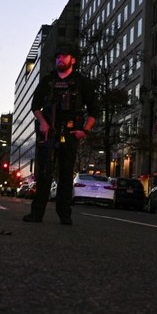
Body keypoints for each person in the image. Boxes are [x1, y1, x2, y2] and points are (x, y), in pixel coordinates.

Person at [24, 45, 100, 225]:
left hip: (70, 132)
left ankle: (64, 214)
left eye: (64, 56)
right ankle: (37, 213)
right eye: (58, 56)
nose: (60, 59)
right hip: (48, 132)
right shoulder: (47, 81)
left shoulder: (82, 82)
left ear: (72, 60)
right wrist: (43, 122)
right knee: (43, 173)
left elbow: (94, 110)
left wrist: (84, 131)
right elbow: (35, 106)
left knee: (66, 175)